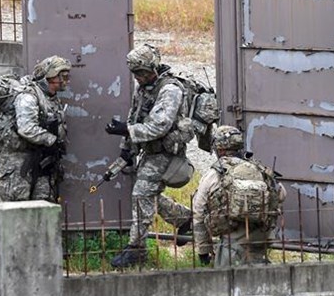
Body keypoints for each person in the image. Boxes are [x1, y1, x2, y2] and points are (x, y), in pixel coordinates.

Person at [105, 44, 193, 268]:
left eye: (142, 73)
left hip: (165, 151)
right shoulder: (144, 88)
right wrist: (127, 149)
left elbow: (159, 126)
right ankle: (184, 219)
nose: (139, 78)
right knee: (147, 195)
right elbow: (135, 116)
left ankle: (137, 249)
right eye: (135, 74)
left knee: (141, 194)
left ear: (153, 68)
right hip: (150, 150)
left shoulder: (170, 90)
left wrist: (127, 130)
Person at [193, 125, 285, 267]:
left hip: (231, 240)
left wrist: (204, 249)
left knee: (228, 282)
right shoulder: (258, 169)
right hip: (260, 237)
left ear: (220, 149)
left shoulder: (215, 173)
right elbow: (281, 194)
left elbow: (198, 211)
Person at [0, 56, 71, 203]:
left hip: (41, 162)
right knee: (17, 208)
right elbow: (26, 128)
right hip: (19, 163)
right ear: (51, 77)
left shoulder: (51, 98)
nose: (66, 80)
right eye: (63, 76)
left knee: (44, 206)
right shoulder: (28, 97)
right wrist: (51, 140)